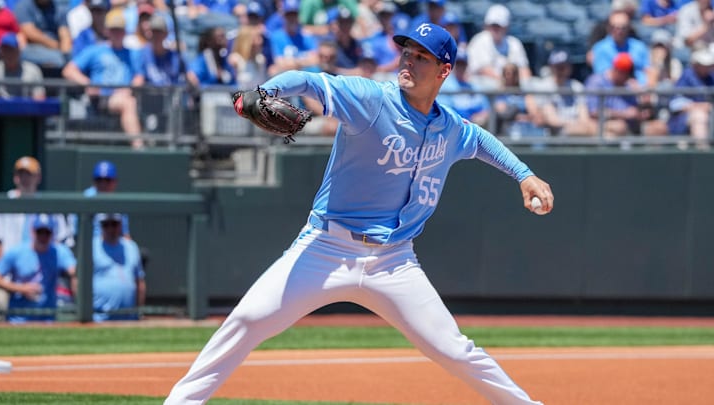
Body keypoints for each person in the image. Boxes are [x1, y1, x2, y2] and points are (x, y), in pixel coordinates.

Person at [165, 22, 551, 404]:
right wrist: (263, 92)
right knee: (247, 321)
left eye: (421, 57)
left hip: (394, 261)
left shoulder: (448, 126)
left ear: (444, 71)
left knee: (453, 350)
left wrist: (524, 174)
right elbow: (308, 80)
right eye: (407, 53)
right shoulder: (371, 98)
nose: (409, 62)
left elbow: (480, 139)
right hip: (326, 248)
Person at [61, 8, 145, 149]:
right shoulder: (95, 50)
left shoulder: (133, 53)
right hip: (100, 99)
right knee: (128, 103)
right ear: (107, 31)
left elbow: (139, 77)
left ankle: (138, 145)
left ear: (125, 32)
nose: (117, 33)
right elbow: (69, 70)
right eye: (114, 30)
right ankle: (139, 147)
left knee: (128, 101)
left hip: (123, 96)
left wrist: (129, 89)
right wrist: (88, 83)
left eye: (120, 30)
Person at [0, 214, 77, 323]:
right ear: (33, 231)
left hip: (48, 318)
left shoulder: (58, 252)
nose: (43, 237)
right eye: (40, 232)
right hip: (18, 319)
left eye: (47, 233)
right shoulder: (17, 252)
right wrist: (21, 288)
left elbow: (75, 272)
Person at [92, 213, 145, 321]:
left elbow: (139, 281)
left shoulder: (131, 246)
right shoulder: (92, 246)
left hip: (129, 317)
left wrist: (139, 311)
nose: (110, 228)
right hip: (99, 318)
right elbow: (78, 280)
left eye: (114, 224)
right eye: (106, 224)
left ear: (120, 225)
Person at [465, 3, 531, 86]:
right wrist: (507, 81)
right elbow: (484, 70)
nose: (495, 29)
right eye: (493, 25)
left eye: (499, 25)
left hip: (511, 86)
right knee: (488, 83)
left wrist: (518, 83)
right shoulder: (480, 40)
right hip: (487, 88)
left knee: (531, 83)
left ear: (506, 26)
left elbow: (524, 70)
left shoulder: (514, 43)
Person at [667, 47, 714, 146]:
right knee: (699, 116)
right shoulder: (686, 76)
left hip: (710, 116)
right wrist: (700, 107)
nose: (708, 67)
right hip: (682, 120)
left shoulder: (711, 77)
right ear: (695, 64)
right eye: (704, 65)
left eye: (709, 64)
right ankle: (703, 154)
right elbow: (674, 104)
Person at [13, 0, 72, 68]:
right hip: (33, 47)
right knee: (57, 59)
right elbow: (30, 33)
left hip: (57, 49)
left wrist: (66, 53)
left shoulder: (58, 7)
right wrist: (55, 45)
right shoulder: (23, 6)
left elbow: (65, 34)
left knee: (71, 58)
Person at [0, 32, 47, 100]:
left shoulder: (33, 70)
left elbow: (40, 98)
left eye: (11, 50)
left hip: (27, 109)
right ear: (0, 52)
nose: (8, 53)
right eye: (5, 50)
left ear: (19, 51)